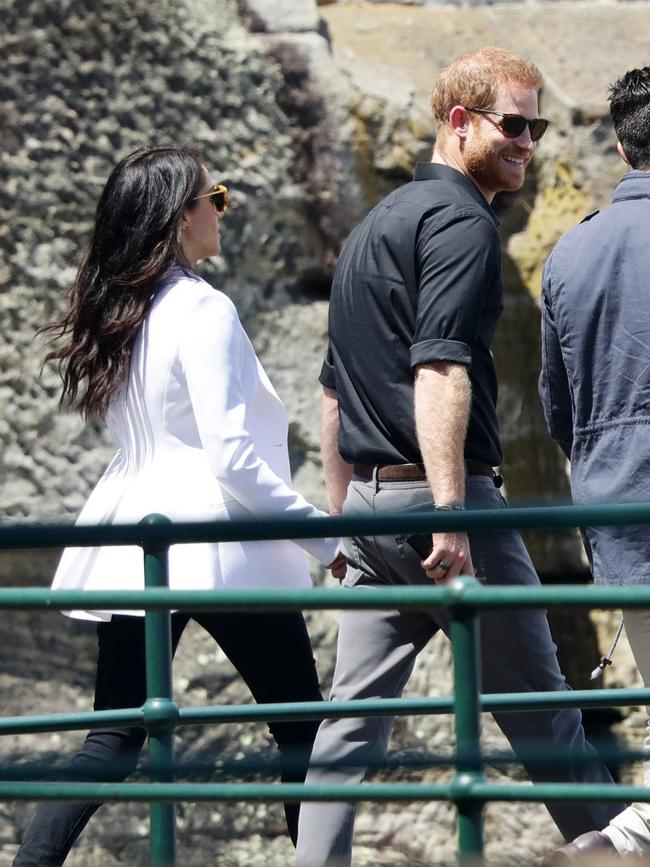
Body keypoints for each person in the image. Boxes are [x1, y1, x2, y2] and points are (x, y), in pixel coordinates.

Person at [294, 47, 624, 867]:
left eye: (537, 126)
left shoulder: (374, 228)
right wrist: (451, 511)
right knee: (544, 714)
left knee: (347, 726)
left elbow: (333, 391)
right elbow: (439, 367)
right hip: (448, 510)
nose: (529, 142)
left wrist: (344, 521)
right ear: (459, 121)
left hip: (372, 512)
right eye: (513, 124)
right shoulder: (464, 222)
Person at [13, 145, 346, 866]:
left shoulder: (130, 308)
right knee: (300, 726)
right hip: (217, 540)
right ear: (179, 216)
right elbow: (231, 457)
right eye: (213, 197)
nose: (221, 211)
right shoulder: (201, 308)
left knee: (114, 735)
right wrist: (329, 538)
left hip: (135, 532)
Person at [540, 66, 650, 864]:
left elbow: (558, 407)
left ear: (619, 145)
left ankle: (620, 838)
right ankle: (624, 837)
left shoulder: (571, 252)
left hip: (619, 515)